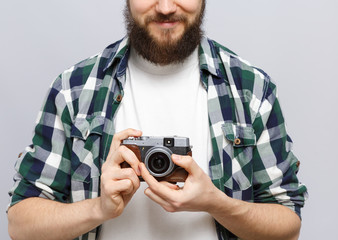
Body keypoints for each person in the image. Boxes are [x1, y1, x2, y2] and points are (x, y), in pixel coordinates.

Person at [7, 0, 307, 240]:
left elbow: (288, 226)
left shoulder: (250, 88)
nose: (165, 7)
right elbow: (21, 225)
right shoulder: (74, 89)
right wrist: (98, 208)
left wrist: (216, 203)